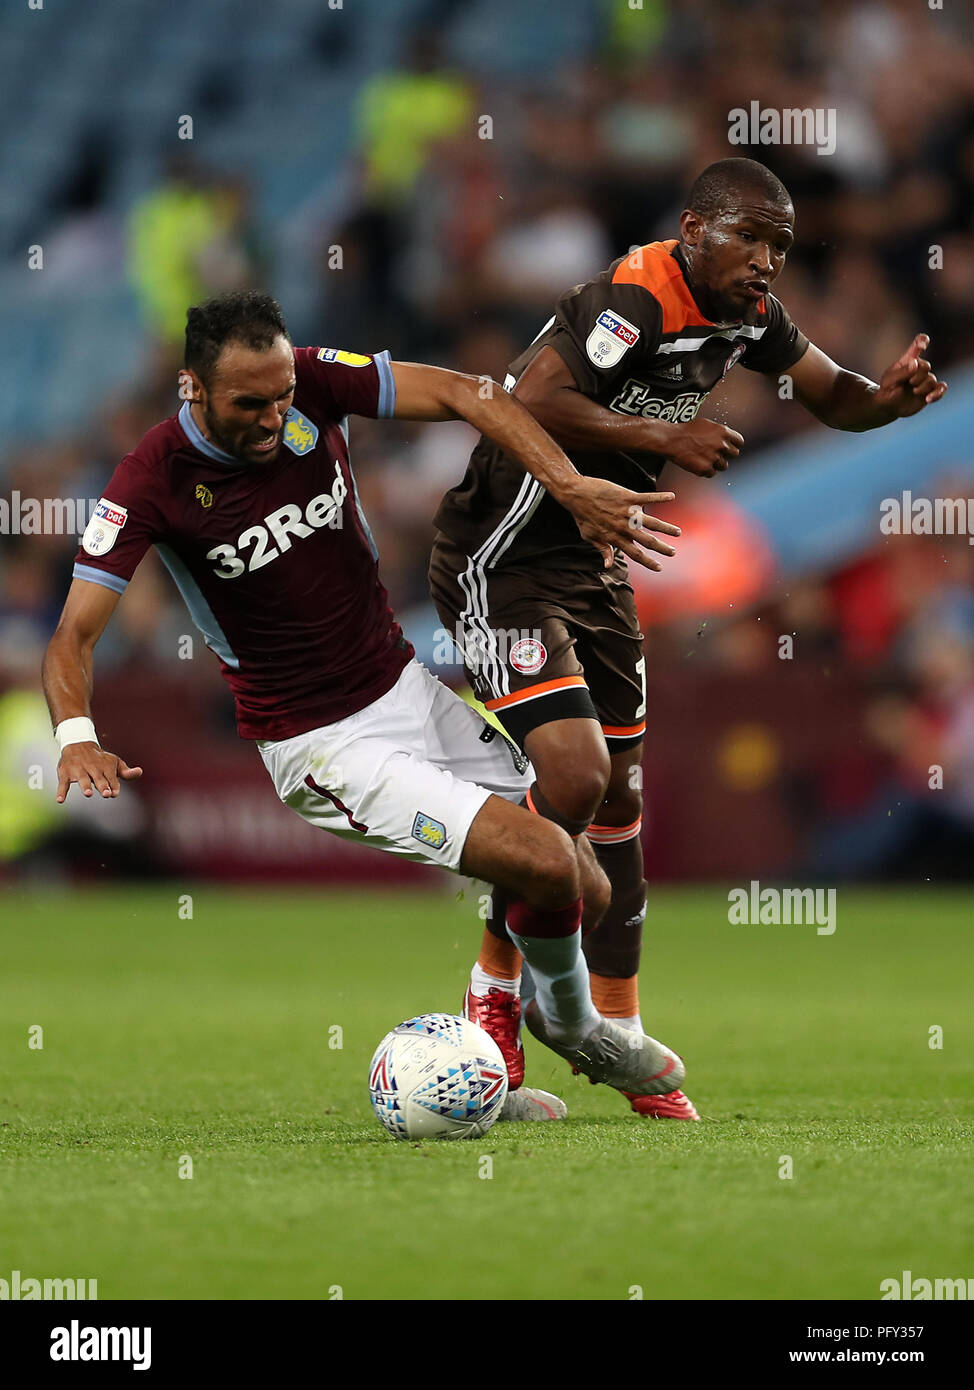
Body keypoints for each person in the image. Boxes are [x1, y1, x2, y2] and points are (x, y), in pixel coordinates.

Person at [41, 290, 687, 1122]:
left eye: (282, 394)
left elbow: (469, 392)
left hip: (406, 689)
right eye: (251, 403)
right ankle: (569, 1026)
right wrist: (76, 734)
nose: (277, 414)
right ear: (191, 388)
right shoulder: (151, 480)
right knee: (547, 861)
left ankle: (490, 1040)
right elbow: (72, 638)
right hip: (322, 744)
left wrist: (568, 485)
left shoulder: (310, 383)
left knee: (584, 889)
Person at [430, 157, 947, 1121]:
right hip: (501, 560)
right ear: (695, 227)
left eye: (781, 246)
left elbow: (830, 391)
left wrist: (889, 400)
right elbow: (524, 399)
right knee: (576, 779)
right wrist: (668, 438)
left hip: (596, 564)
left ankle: (615, 1032)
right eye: (749, 237)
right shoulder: (634, 295)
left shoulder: (748, 311)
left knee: (619, 805)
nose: (766, 260)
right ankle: (494, 1001)